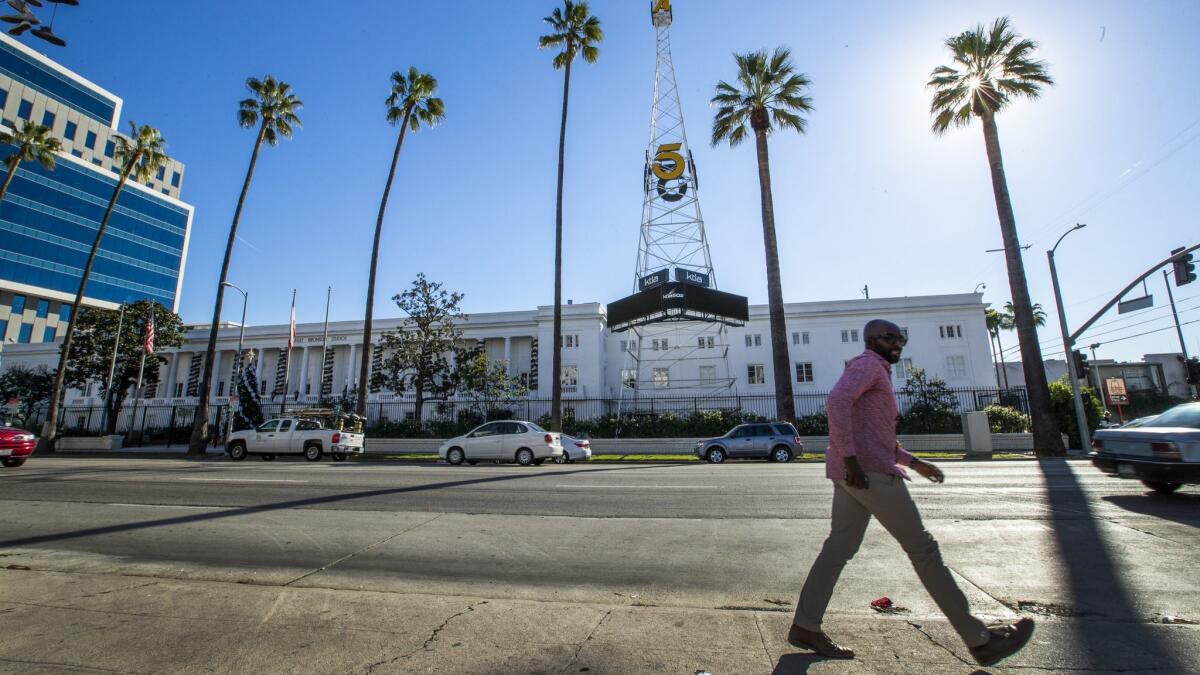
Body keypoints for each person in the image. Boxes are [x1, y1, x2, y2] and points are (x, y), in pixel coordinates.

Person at [788, 319, 1035, 668]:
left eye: (900, 338)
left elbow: (876, 435)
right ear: (871, 339)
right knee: (923, 550)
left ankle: (805, 626)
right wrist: (851, 460)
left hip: (857, 471)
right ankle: (979, 640)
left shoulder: (878, 372)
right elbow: (836, 401)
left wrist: (914, 462)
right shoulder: (867, 365)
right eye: (890, 338)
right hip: (868, 474)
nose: (897, 343)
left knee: (838, 549)